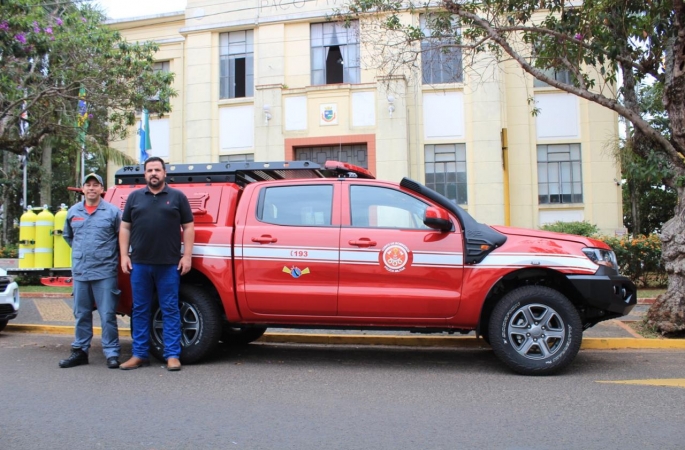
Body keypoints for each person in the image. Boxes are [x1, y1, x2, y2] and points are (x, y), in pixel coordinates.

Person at [119, 157, 194, 371]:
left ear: (164, 173)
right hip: (139, 264)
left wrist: (186, 256)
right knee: (140, 309)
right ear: (144, 174)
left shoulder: (177, 197)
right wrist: (124, 256)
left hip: (169, 264)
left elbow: (188, 227)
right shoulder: (134, 197)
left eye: (157, 170)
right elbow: (125, 228)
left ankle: (172, 355)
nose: (154, 173)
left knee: (170, 308)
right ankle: (140, 354)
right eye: (150, 170)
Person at [59, 173, 122, 369]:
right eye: (88, 185)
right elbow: (68, 237)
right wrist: (83, 254)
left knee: (107, 314)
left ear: (102, 189)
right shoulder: (73, 212)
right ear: (83, 189)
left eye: (96, 185)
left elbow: (122, 239)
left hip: (105, 272)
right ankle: (80, 351)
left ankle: (112, 353)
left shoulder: (112, 212)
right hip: (81, 272)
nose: (92, 188)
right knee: (81, 314)